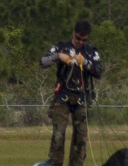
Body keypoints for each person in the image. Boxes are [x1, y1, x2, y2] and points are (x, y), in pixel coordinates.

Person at [39, 20, 102, 166]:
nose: (80, 41)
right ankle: (55, 163)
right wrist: (58, 57)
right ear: (73, 33)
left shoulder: (91, 52)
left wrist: (86, 63)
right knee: (58, 135)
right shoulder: (61, 47)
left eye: (83, 39)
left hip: (81, 99)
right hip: (62, 97)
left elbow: (98, 72)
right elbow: (42, 62)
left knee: (80, 139)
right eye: (78, 38)